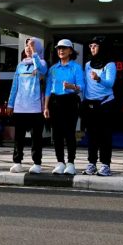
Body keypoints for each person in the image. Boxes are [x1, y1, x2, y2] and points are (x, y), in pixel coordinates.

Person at [7, 38, 48, 174]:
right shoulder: (20, 65)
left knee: (36, 138)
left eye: (32, 46)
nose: (28, 48)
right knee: (19, 138)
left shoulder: (41, 62)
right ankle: (17, 162)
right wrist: (11, 103)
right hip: (20, 108)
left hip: (36, 108)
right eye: (27, 45)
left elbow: (42, 70)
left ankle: (37, 163)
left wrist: (34, 53)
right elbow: (15, 85)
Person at [44, 39, 84, 175]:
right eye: (59, 48)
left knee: (69, 133)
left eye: (64, 48)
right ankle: (60, 162)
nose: (61, 50)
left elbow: (81, 87)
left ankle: (71, 163)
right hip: (55, 102)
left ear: (70, 51)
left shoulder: (76, 67)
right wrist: (46, 107)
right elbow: (48, 88)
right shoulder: (53, 69)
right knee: (57, 134)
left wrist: (71, 86)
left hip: (70, 101)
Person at [81, 36, 116, 177]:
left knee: (105, 136)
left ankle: (105, 165)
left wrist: (99, 78)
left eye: (95, 45)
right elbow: (85, 83)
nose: (92, 48)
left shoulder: (110, 64)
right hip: (90, 104)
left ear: (102, 47)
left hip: (105, 103)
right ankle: (91, 163)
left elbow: (110, 83)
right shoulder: (88, 64)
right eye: (90, 46)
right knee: (92, 136)